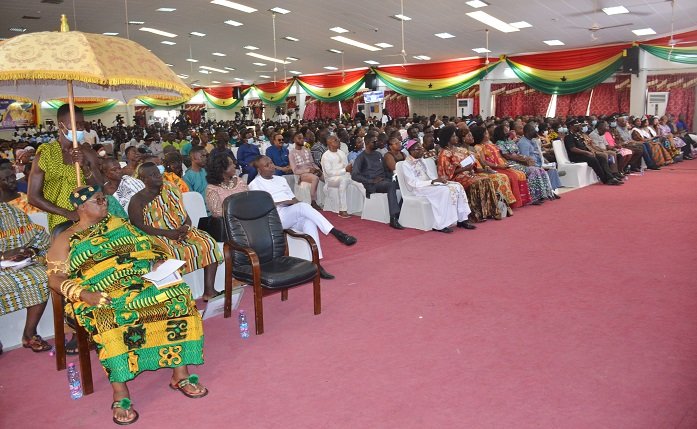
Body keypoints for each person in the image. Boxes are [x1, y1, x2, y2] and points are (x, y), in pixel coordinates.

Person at [47, 186, 207, 425]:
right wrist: (84, 294)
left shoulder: (119, 223)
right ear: (81, 207)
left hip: (138, 282)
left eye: (104, 199)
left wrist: (156, 263)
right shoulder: (66, 238)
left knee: (178, 296)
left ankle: (180, 374)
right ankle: (120, 391)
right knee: (108, 316)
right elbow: (54, 278)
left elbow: (146, 247)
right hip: (97, 293)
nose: (105, 203)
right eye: (98, 200)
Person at [249, 156, 357, 280]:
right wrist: (286, 202)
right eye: (267, 165)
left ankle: (316, 264)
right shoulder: (254, 184)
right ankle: (336, 233)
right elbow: (262, 207)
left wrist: (296, 204)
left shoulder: (281, 179)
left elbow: (293, 199)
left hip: (289, 212)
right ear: (259, 170)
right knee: (303, 206)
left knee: (309, 221)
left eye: (271, 162)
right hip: (274, 218)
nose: (272, 166)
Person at [129, 163, 222, 302]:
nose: (158, 176)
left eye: (158, 173)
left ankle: (209, 291)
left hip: (181, 230)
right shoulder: (137, 200)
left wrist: (186, 227)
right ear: (143, 179)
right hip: (157, 236)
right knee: (171, 253)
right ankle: (180, 298)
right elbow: (138, 226)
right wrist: (167, 233)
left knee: (208, 242)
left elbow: (184, 213)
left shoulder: (170, 188)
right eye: (152, 175)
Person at [28, 104, 103, 231]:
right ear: (61, 125)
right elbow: (33, 197)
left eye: (82, 124)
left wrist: (85, 167)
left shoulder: (88, 154)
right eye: (75, 124)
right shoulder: (46, 154)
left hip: (90, 219)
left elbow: (100, 188)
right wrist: (68, 213)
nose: (80, 128)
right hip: (59, 222)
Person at [0, 202, 51, 353]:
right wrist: (3, 255)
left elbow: (37, 238)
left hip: (15, 265)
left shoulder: (9, 211)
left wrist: (28, 251)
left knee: (42, 276)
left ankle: (29, 334)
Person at [402, 140, 475, 232]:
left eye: (421, 148)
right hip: (419, 189)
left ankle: (462, 219)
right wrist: (432, 182)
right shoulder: (406, 164)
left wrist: (439, 181)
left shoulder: (422, 160)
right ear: (411, 151)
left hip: (430, 184)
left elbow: (430, 175)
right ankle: (440, 224)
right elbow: (413, 183)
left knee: (457, 186)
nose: (422, 150)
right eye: (419, 149)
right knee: (445, 191)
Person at [437, 126, 502, 221]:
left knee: (486, 179)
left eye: (455, 136)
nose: (456, 138)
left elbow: (469, 162)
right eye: (453, 136)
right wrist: (465, 169)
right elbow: (447, 173)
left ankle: (489, 211)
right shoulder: (444, 153)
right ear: (447, 138)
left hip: (467, 173)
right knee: (476, 182)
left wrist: (471, 168)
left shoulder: (459, 149)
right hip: (455, 177)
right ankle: (476, 214)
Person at [351, 130, 403, 230]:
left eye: (376, 141)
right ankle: (393, 218)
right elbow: (354, 175)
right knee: (391, 185)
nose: (376, 143)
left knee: (403, 184)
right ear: (367, 143)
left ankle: (400, 211)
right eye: (374, 142)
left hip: (383, 181)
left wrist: (395, 177)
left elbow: (385, 171)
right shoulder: (361, 157)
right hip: (372, 185)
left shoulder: (378, 154)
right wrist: (370, 181)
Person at [493, 124, 555, 203]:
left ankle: (547, 193)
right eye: (505, 131)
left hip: (519, 161)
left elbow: (518, 153)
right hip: (511, 164)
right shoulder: (499, 143)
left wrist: (524, 159)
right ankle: (534, 197)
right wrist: (524, 159)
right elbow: (508, 156)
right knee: (534, 171)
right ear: (500, 132)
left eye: (507, 129)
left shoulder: (510, 141)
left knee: (540, 170)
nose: (508, 131)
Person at [472, 126, 532, 207]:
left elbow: (500, 156)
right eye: (486, 133)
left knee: (520, 174)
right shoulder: (478, 147)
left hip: (501, 165)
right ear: (480, 135)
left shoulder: (491, 144)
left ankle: (521, 200)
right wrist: (499, 166)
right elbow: (483, 162)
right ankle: (508, 204)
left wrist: (505, 164)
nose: (488, 134)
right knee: (508, 177)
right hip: (493, 168)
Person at [564, 119, 622, 185]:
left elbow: (586, 145)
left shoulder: (577, 135)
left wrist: (590, 151)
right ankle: (605, 179)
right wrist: (586, 152)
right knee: (593, 160)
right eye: (577, 125)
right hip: (576, 156)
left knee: (602, 158)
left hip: (584, 154)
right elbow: (573, 149)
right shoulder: (568, 136)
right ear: (571, 126)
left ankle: (610, 177)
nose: (579, 126)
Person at [517, 123, 562, 196]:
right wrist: (538, 166)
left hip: (539, 162)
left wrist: (545, 161)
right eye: (533, 130)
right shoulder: (523, 143)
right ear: (527, 132)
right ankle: (547, 192)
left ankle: (551, 190)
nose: (535, 132)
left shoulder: (532, 140)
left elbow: (539, 153)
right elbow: (526, 159)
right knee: (544, 170)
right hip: (531, 165)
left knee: (552, 168)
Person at [320, 135, 352, 218]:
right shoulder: (326, 156)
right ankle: (342, 210)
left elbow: (346, 166)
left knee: (359, 180)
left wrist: (350, 170)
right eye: (335, 140)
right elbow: (329, 173)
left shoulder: (341, 152)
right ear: (329, 143)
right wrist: (345, 170)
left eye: (338, 139)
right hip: (331, 180)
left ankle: (369, 207)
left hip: (345, 176)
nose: (338, 141)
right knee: (343, 181)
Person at [289, 131, 322, 210]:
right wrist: (308, 170)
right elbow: (295, 170)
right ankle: (313, 201)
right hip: (302, 174)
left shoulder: (307, 149)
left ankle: (330, 199)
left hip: (312, 170)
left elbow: (312, 163)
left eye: (302, 138)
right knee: (315, 178)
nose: (302, 140)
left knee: (325, 177)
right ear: (294, 140)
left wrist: (318, 169)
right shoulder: (292, 153)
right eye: (299, 138)